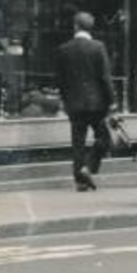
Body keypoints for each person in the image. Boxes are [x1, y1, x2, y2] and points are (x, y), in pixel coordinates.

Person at [54, 11, 113, 192]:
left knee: (77, 143)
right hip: (97, 104)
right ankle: (87, 167)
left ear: (75, 26)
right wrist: (112, 101)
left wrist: (64, 101)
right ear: (90, 28)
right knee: (104, 138)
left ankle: (80, 181)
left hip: (74, 105)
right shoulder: (98, 47)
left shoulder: (64, 49)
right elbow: (105, 77)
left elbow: (60, 80)